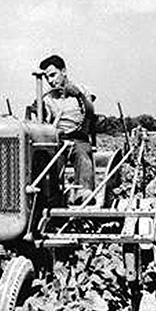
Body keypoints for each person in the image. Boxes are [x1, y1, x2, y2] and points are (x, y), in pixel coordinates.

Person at [37, 54, 96, 204]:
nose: (50, 81)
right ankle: (52, 197)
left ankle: (83, 192)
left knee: (82, 154)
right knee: (50, 159)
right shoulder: (47, 99)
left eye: (53, 75)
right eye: (46, 78)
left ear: (63, 71)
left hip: (77, 137)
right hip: (57, 138)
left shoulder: (81, 90)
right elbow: (38, 119)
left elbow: (90, 111)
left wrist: (79, 95)